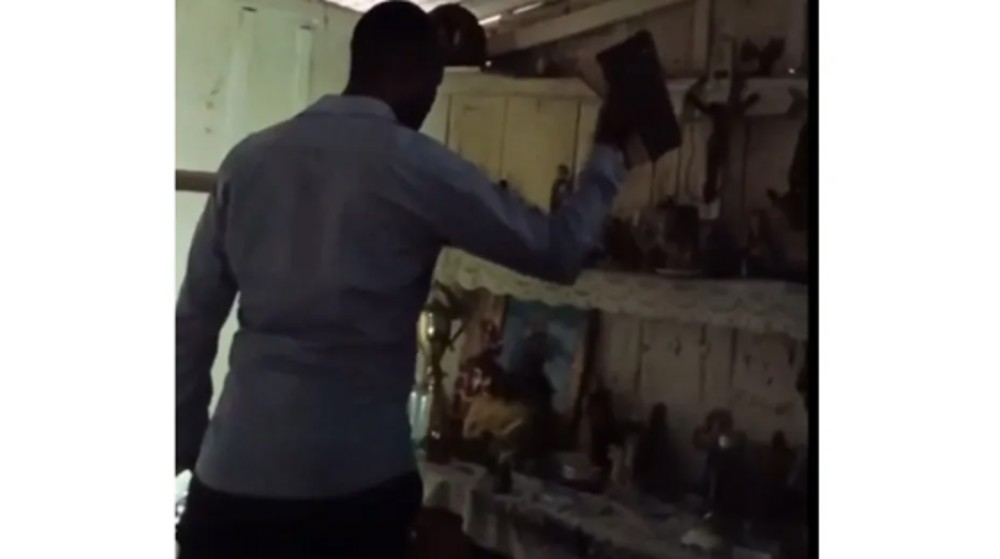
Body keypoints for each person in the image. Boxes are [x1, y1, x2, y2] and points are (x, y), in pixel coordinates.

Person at [174, 2, 630, 557]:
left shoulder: (248, 162)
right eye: (434, 85)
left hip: (234, 480)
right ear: (413, 73)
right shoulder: (417, 165)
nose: (431, 100)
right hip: (352, 488)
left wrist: (186, 440)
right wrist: (610, 151)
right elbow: (558, 251)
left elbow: (192, 323)